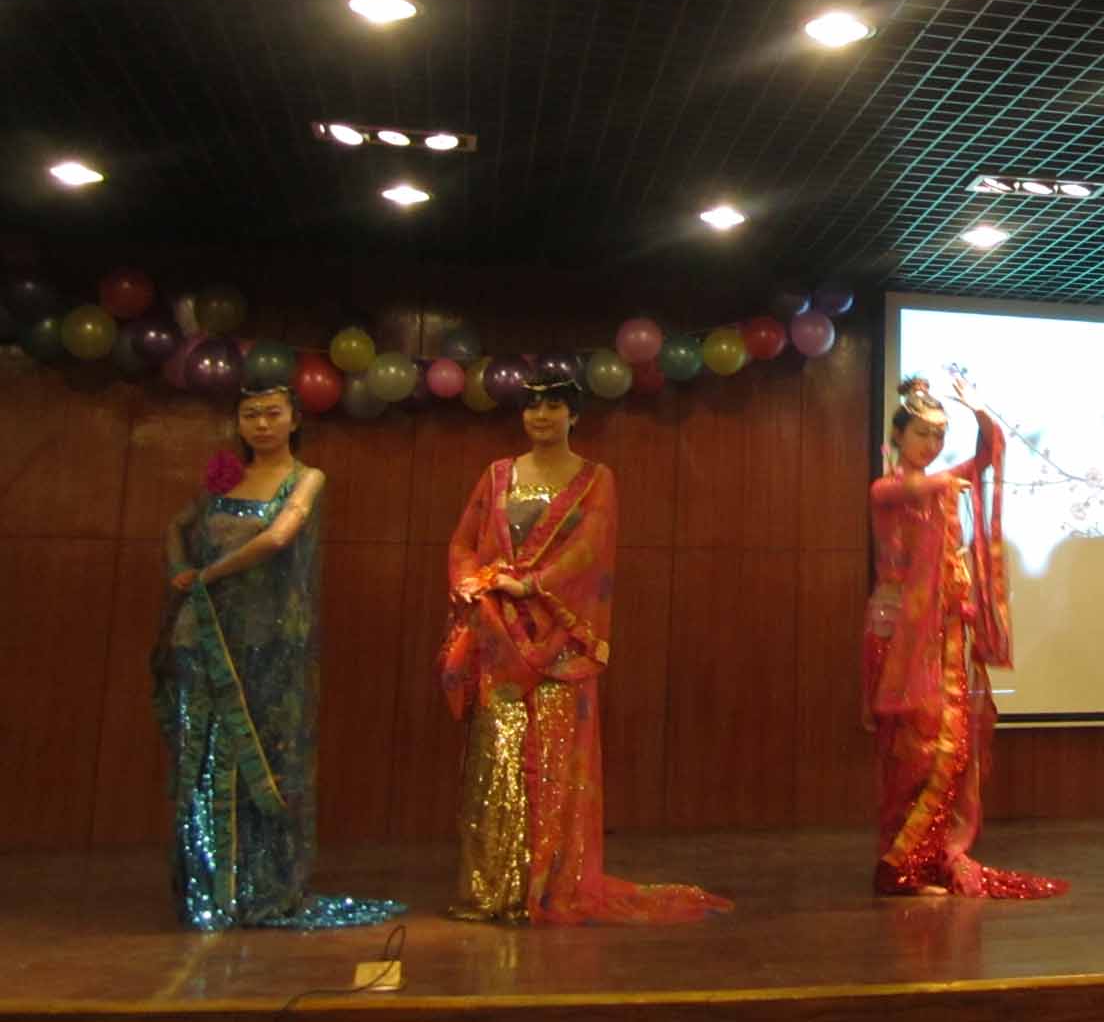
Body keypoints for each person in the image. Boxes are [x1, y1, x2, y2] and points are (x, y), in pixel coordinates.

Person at [442, 378, 731, 922]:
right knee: (495, 760)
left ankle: (549, 887)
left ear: (574, 415)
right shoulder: (497, 474)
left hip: (558, 642)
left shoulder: (597, 479)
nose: (541, 415)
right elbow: (463, 542)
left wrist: (531, 585)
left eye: (554, 405)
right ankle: (491, 891)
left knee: (555, 764)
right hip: (498, 639)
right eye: (532, 405)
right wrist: (469, 584)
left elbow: (589, 553)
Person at [153, 383, 404, 931]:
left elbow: (277, 537)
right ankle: (209, 886)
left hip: (270, 640)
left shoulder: (306, 478)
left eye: (272, 413)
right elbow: (177, 526)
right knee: (204, 752)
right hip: (206, 633)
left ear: (294, 420)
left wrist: (208, 574)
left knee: (268, 758)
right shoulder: (224, 479)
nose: (262, 424)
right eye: (250, 415)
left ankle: (265, 886)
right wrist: (181, 573)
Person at [863, 374, 1065, 898]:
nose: (931, 445)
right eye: (922, 434)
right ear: (897, 436)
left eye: (939, 435)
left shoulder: (941, 482)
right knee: (911, 752)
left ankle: (925, 860)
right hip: (899, 634)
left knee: (948, 748)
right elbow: (920, 487)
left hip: (944, 635)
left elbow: (988, 455)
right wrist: (947, 482)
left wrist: (978, 412)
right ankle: (898, 862)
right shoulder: (887, 489)